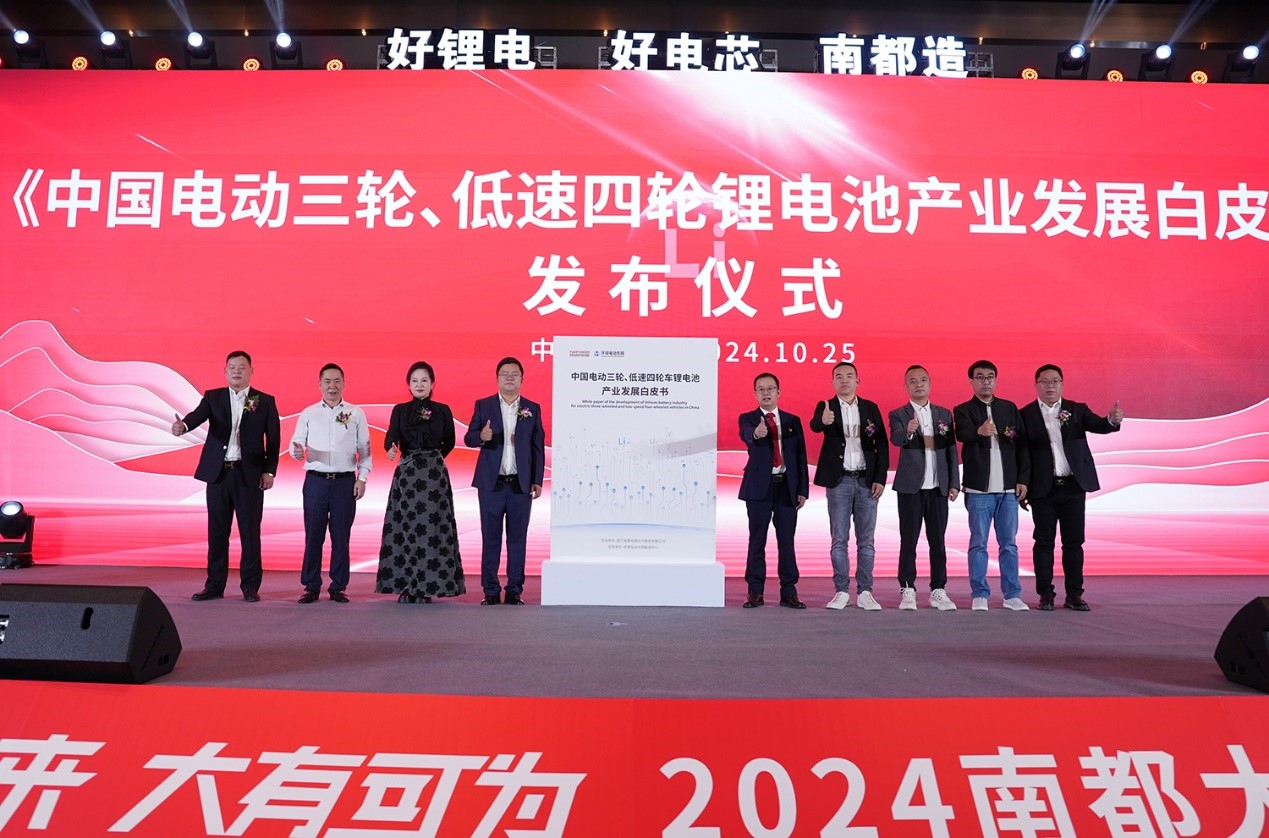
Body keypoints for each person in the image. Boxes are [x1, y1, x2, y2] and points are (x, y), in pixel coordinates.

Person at [171, 350, 280, 602]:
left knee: (249, 533)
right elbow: (196, 417)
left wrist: (269, 471)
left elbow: (273, 440)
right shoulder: (214, 397)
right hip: (219, 474)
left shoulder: (263, 401)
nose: (237, 371)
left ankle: (250, 586)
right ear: (225, 371)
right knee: (217, 532)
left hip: (249, 475)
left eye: (242, 367)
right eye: (232, 367)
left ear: (251, 371)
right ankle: (214, 585)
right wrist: (182, 426)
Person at [1019, 364, 1124, 611]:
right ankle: (1046, 594)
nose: (1050, 386)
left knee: (1074, 543)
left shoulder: (1077, 410)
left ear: (1062, 384)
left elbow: (1100, 425)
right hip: (1042, 489)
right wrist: (1022, 483)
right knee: (1043, 543)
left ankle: (1074, 594)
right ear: (1036, 385)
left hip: (1073, 487)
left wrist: (1112, 420)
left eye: (1055, 381)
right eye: (1045, 381)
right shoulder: (1025, 414)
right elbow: (1022, 453)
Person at [376, 361, 466, 604]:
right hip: (407, 476)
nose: (419, 385)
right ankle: (408, 585)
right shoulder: (400, 410)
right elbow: (391, 436)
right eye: (414, 381)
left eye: (424, 380)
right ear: (409, 384)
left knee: (433, 530)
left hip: (434, 477)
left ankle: (428, 586)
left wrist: (431, 459)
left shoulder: (443, 410)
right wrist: (391, 448)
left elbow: (449, 441)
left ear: (432, 383)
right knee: (405, 528)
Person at [463, 357, 545, 606]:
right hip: (492, 484)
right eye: (505, 374)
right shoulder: (484, 405)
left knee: (518, 539)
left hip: (520, 484)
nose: (509, 377)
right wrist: (481, 436)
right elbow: (468, 438)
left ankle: (514, 590)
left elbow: (537, 447)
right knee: (491, 538)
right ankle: (490, 590)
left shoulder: (532, 408)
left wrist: (537, 480)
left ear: (521, 379)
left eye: (514, 374)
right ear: (497, 378)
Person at [289, 363, 372, 604]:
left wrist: (362, 478)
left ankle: (338, 586)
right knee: (313, 535)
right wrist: (296, 451)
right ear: (319, 384)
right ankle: (311, 586)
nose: (332, 386)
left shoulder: (356, 413)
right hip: (316, 482)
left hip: (345, 483)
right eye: (327, 381)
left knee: (341, 536)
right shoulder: (309, 413)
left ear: (344, 384)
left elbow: (365, 449)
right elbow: (296, 444)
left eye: (337, 381)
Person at [811, 362, 889, 611]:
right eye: (839, 376)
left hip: (867, 481)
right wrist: (822, 421)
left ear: (857, 381)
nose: (844, 380)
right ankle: (841, 591)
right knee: (839, 539)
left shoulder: (870, 408)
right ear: (832, 382)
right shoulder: (826, 406)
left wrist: (880, 478)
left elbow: (882, 444)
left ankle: (865, 591)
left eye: (849, 376)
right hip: (839, 482)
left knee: (866, 541)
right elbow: (814, 426)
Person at [954, 360, 1031, 612]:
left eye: (990, 377)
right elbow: (962, 434)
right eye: (980, 377)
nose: (985, 381)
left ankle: (1012, 594)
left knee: (1009, 544)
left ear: (996, 380)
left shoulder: (1009, 408)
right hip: (978, 490)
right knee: (978, 543)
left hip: (1008, 490)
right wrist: (980, 431)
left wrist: (1023, 479)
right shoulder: (963, 409)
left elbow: (1022, 445)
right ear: (971, 381)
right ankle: (979, 593)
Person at [887, 365, 960, 611]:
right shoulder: (898, 414)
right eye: (913, 381)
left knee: (938, 541)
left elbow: (951, 450)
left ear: (930, 383)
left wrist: (954, 482)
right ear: (905, 386)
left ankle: (938, 589)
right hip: (910, 488)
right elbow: (895, 438)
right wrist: (907, 432)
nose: (918, 384)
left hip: (938, 487)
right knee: (908, 540)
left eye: (923, 380)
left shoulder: (943, 414)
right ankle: (908, 588)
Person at [738, 373, 809, 609]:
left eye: (770, 388)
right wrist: (755, 433)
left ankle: (789, 591)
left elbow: (800, 457)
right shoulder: (748, 418)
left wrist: (802, 489)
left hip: (786, 487)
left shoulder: (792, 421)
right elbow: (746, 433)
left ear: (779, 392)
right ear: (755, 393)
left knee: (786, 540)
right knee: (757, 539)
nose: (766, 393)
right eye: (761, 389)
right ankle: (755, 590)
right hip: (759, 488)